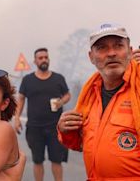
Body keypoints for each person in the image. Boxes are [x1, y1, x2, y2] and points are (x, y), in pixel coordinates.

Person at [58, 23, 140, 179]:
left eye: (118, 46)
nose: (111, 53)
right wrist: (65, 130)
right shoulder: (88, 97)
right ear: (91, 57)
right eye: (102, 48)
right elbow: (80, 144)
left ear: (130, 52)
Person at [14, 47, 71, 181]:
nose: (44, 60)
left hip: (56, 127)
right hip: (34, 127)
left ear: (49, 59)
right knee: (37, 161)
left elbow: (68, 95)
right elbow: (21, 98)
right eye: (40, 58)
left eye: (46, 57)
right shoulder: (28, 80)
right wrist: (16, 118)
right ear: (35, 61)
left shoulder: (58, 78)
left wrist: (61, 102)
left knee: (57, 161)